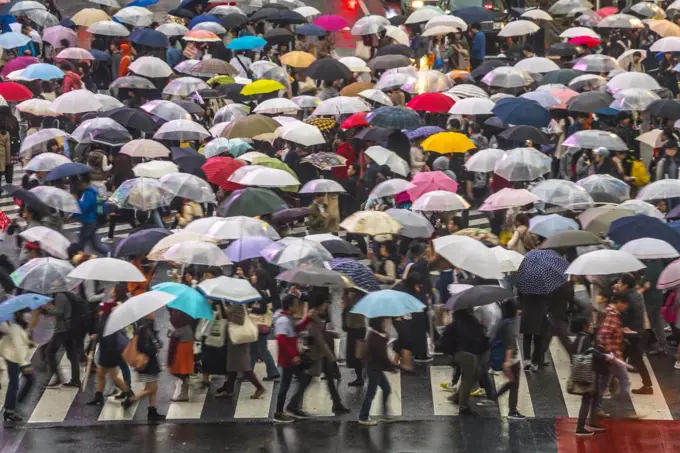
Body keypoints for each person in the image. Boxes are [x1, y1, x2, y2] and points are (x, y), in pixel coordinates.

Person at [306, 293, 350, 414]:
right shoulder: (314, 316)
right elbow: (317, 338)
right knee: (305, 381)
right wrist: (330, 355)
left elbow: (319, 333)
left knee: (330, 379)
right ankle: (293, 404)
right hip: (318, 353)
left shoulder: (317, 315)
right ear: (319, 304)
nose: (326, 305)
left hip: (321, 353)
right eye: (325, 303)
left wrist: (330, 334)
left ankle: (337, 403)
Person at [86, 295, 133, 406]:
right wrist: (97, 336)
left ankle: (129, 394)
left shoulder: (108, 322)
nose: (99, 312)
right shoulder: (104, 320)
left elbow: (108, 337)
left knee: (110, 376)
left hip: (110, 353)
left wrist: (97, 337)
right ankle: (99, 396)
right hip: (107, 351)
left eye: (101, 310)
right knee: (102, 375)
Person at [273, 293, 312, 423]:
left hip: (293, 358)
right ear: (290, 306)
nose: (298, 306)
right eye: (296, 304)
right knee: (285, 385)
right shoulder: (283, 320)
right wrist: (293, 355)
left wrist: (307, 318)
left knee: (304, 379)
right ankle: (279, 412)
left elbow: (296, 329)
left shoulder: (287, 318)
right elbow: (281, 340)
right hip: (288, 359)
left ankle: (293, 406)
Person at [123, 313, 165, 420]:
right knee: (152, 388)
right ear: (146, 315)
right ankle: (132, 399)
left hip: (149, 363)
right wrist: (156, 346)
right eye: (151, 313)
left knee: (152, 388)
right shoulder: (144, 330)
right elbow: (146, 348)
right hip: (148, 364)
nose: (154, 314)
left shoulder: (145, 328)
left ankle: (152, 410)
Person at [219, 303, 266, 399]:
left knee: (244, 367)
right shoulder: (233, 303)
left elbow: (239, 320)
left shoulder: (238, 303)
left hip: (239, 339)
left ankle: (259, 388)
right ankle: (229, 390)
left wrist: (227, 312)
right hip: (234, 339)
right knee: (232, 366)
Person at [595, 292, 631, 416]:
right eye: (625, 305)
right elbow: (604, 335)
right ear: (620, 303)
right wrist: (613, 354)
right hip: (612, 356)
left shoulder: (611, 314)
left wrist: (620, 330)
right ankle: (624, 409)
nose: (626, 307)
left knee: (603, 382)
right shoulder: (612, 315)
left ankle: (597, 407)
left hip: (609, 355)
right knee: (625, 380)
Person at [617, 273, 653, 395]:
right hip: (638, 332)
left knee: (619, 359)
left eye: (620, 282)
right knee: (634, 359)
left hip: (630, 334)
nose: (618, 284)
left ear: (625, 285)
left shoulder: (627, 298)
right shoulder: (637, 294)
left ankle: (613, 385)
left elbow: (624, 316)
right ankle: (647, 386)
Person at [572, 316, 608, 436]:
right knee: (587, 400)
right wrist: (605, 356)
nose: (591, 325)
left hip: (584, 372)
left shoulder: (578, 338)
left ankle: (593, 422)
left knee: (596, 396)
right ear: (584, 326)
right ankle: (580, 427)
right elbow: (591, 352)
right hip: (587, 373)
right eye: (589, 323)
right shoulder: (585, 339)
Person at [358, 317, 395, 425]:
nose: (386, 323)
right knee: (371, 393)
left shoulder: (374, 333)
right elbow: (382, 356)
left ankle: (384, 413)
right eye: (384, 321)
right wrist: (391, 368)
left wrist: (385, 337)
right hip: (374, 368)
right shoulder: (376, 338)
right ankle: (363, 417)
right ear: (379, 322)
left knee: (386, 389)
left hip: (375, 367)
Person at [493, 300, 525, 420]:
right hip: (511, 359)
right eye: (518, 309)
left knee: (512, 382)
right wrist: (508, 361)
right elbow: (510, 343)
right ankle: (512, 410)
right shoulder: (510, 324)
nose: (519, 311)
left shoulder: (503, 321)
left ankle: (495, 396)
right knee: (514, 384)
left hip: (506, 357)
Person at [0, 310, 35, 421]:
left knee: (28, 380)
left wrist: (29, 342)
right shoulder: (15, 327)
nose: (28, 316)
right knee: (15, 384)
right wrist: (25, 365)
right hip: (13, 357)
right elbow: (18, 346)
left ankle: (14, 406)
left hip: (15, 356)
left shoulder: (18, 325)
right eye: (25, 314)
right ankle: (9, 411)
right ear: (19, 314)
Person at [41, 291, 81, 388]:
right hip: (69, 327)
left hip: (63, 329)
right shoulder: (63, 294)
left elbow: (59, 312)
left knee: (50, 352)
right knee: (72, 355)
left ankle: (58, 378)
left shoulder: (60, 295)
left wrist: (46, 309)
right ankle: (76, 380)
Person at [249, 269, 280, 381]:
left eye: (254, 275)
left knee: (260, 349)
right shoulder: (268, 290)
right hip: (264, 324)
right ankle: (249, 373)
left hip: (258, 323)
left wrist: (250, 309)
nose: (252, 277)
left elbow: (261, 309)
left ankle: (272, 372)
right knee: (255, 349)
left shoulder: (258, 291)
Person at [73, 174, 109, 256]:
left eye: (80, 184)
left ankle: (77, 259)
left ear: (85, 183)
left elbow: (84, 207)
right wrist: (73, 214)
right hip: (90, 221)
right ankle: (109, 254)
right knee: (94, 245)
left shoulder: (89, 194)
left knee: (81, 243)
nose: (79, 186)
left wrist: (75, 200)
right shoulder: (91, 192)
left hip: (89, 221)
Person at [167, 308, 195, 402]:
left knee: (181, 369)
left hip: (183, 341)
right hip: (185, 340)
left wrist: (172, 332)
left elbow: (178, 323)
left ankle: (185, 391)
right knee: (181, 369)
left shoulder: (181, 312)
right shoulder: (183, 309)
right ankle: (185, 389)